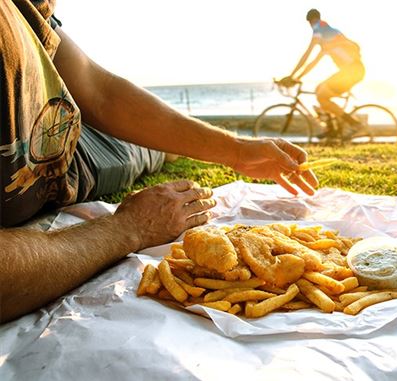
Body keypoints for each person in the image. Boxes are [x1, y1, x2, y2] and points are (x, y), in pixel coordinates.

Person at [0, 0, 318, 323]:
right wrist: (128, 227)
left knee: (147, 151)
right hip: (40, 177)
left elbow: (100, 91)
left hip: (66, 144)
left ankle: (162, 152)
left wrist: (237, 150)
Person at [281, 9, 366, 140]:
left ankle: (354, 124)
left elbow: (307, 54)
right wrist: (296, 77)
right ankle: (332, 129)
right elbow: (312, 63)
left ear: (310, 21)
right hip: (353, 71)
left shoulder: (319, 27)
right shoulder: (328, 35)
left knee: (322, 96)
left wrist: (291, 76)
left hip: (352, 71)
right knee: (318, 90)